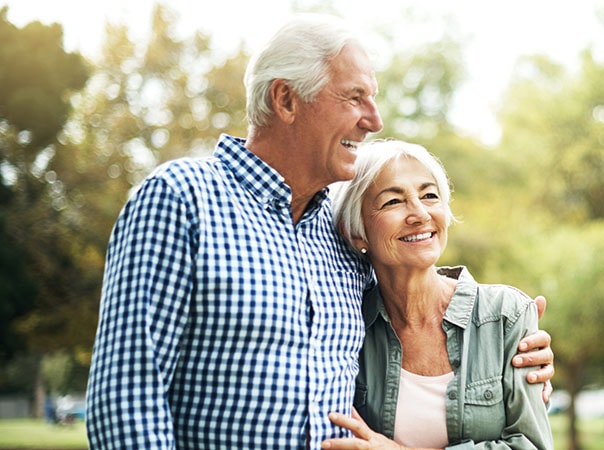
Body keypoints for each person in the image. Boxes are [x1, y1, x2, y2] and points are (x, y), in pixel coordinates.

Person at [85, 13, 553, 450]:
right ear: (286, 99)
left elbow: (412, 302)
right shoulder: (181, 198)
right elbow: (128, 396)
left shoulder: (338, 227)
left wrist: (504, 345)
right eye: (354, 97)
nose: (374, 120)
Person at [323, 140, 553, 449]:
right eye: (393, 201)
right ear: (356, 231)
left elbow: (532, 445)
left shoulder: (506, 314)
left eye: (429, 195)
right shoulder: (345, 327)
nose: (419, 213)